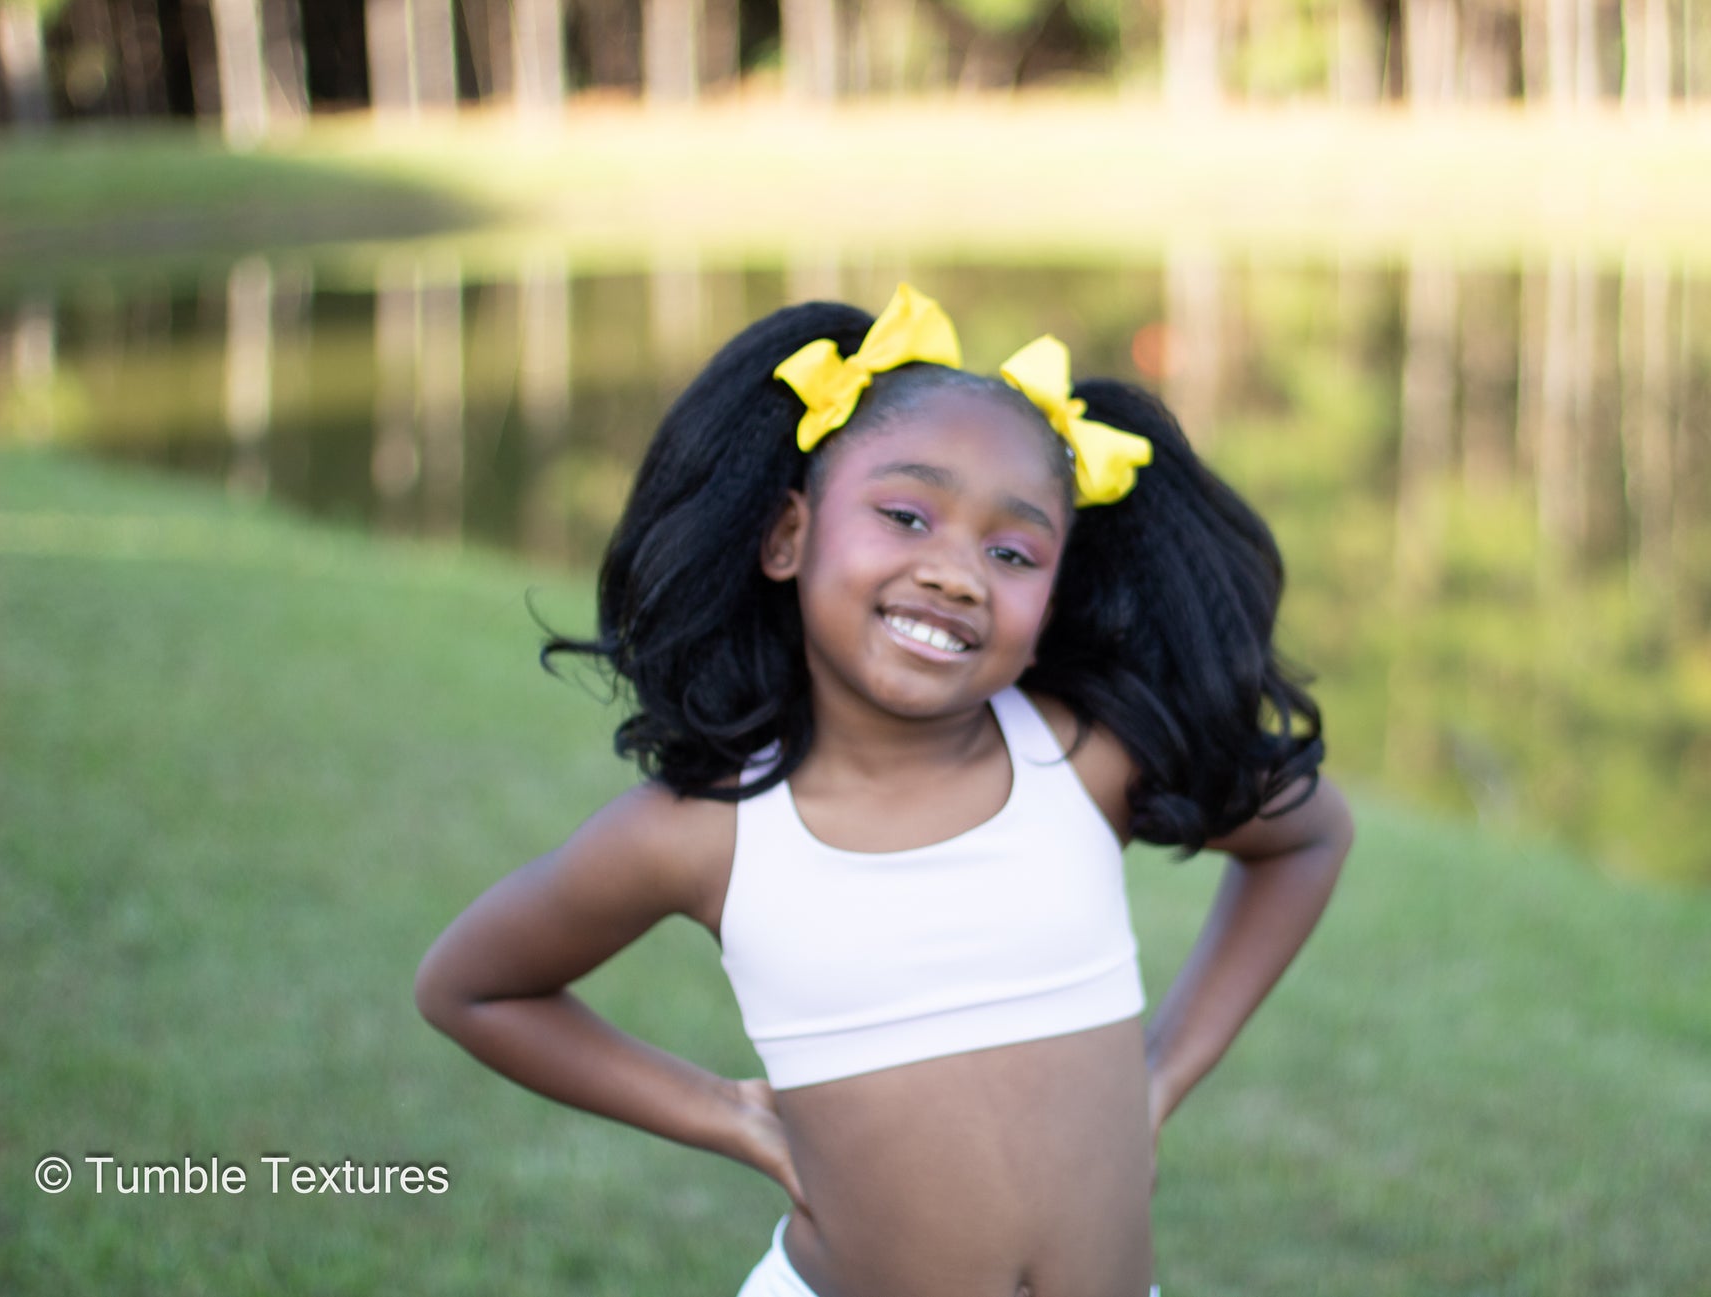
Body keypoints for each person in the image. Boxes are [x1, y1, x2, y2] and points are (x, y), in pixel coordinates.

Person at [415, 284, 1353, 1297]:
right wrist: (727, 1113)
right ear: (786, 537)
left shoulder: (1080, 762)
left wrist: (1161, 1074)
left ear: (1052, 597)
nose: (955, 574)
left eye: (1010, 551)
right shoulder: (707, 834)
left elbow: (1307, 837)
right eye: (905, 515)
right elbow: (473, 986)